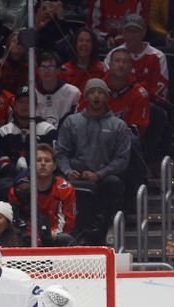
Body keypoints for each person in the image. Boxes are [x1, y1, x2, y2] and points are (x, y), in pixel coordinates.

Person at [56, 78, 130, 242]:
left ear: (106, 97)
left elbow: (122, 159)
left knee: (114, 183)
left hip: (104, 176)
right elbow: (61, 152)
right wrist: (68, 171)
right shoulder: (71, 122)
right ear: (86, 97)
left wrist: (99, 174)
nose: (96, 96)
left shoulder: (118, 125)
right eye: (92, 92)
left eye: (101, 92)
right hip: (78, 173)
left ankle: (110, 225)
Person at [9, 144, 77, 247]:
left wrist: (50, 236)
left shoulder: (65, 189)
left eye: (47, 160)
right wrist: (31, 237)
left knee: (66, 239)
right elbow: (18, 220)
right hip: (26, 239)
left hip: (54, 238)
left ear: (54, 166)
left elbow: (68, 222)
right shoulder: (19, 189)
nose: (43, 164)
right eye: (39, 160)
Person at [0, 86, 58, 180]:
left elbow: (50, 161)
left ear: (36, 106)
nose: (24, 105)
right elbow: (3, 162)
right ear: (15, 105)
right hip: (11, 180)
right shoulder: (4, 131)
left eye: (29, 102)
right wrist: (20, 178)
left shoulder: (47, 130)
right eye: (21, 102)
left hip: (41, 179)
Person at [36, 52, 81, 128]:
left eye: (50, 67)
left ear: (58, 70)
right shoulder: (31, 93)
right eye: (43, 67)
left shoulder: (73, 93)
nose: (46, 71)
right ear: (38, 71)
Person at [59, 27, 107, 93]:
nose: (84, 44)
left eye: (88, 41)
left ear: (93, 45)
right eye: (81, 40)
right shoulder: (64, 70)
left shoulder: (102, 68)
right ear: (75, 44)